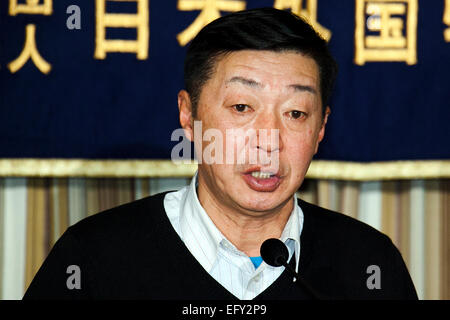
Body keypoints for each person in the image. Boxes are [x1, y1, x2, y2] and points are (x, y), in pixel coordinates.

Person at [23, 7, 417, 300]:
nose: (269, 139)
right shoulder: (94, 258)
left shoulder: (368, 264)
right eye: (242, 108)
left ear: (320, 131)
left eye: (296, 113)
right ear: (188, 114)